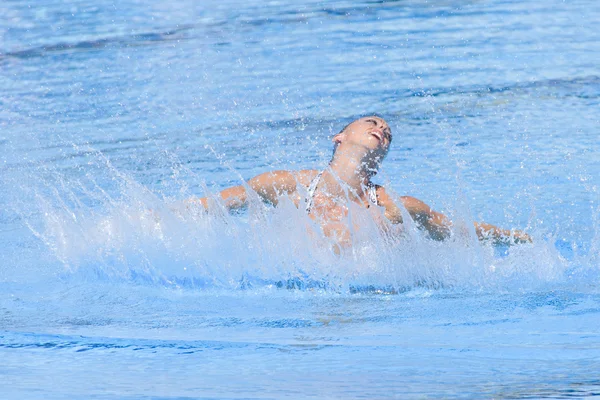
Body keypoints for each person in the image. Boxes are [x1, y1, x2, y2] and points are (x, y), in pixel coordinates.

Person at [186, 116, 531, 248]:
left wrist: (519, 238)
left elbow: (456, 230)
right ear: (340, 136)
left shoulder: (394, 207)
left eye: (388, 132)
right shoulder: (286, 185)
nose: (382, 129)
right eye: (373, 122)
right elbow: (208, 207)